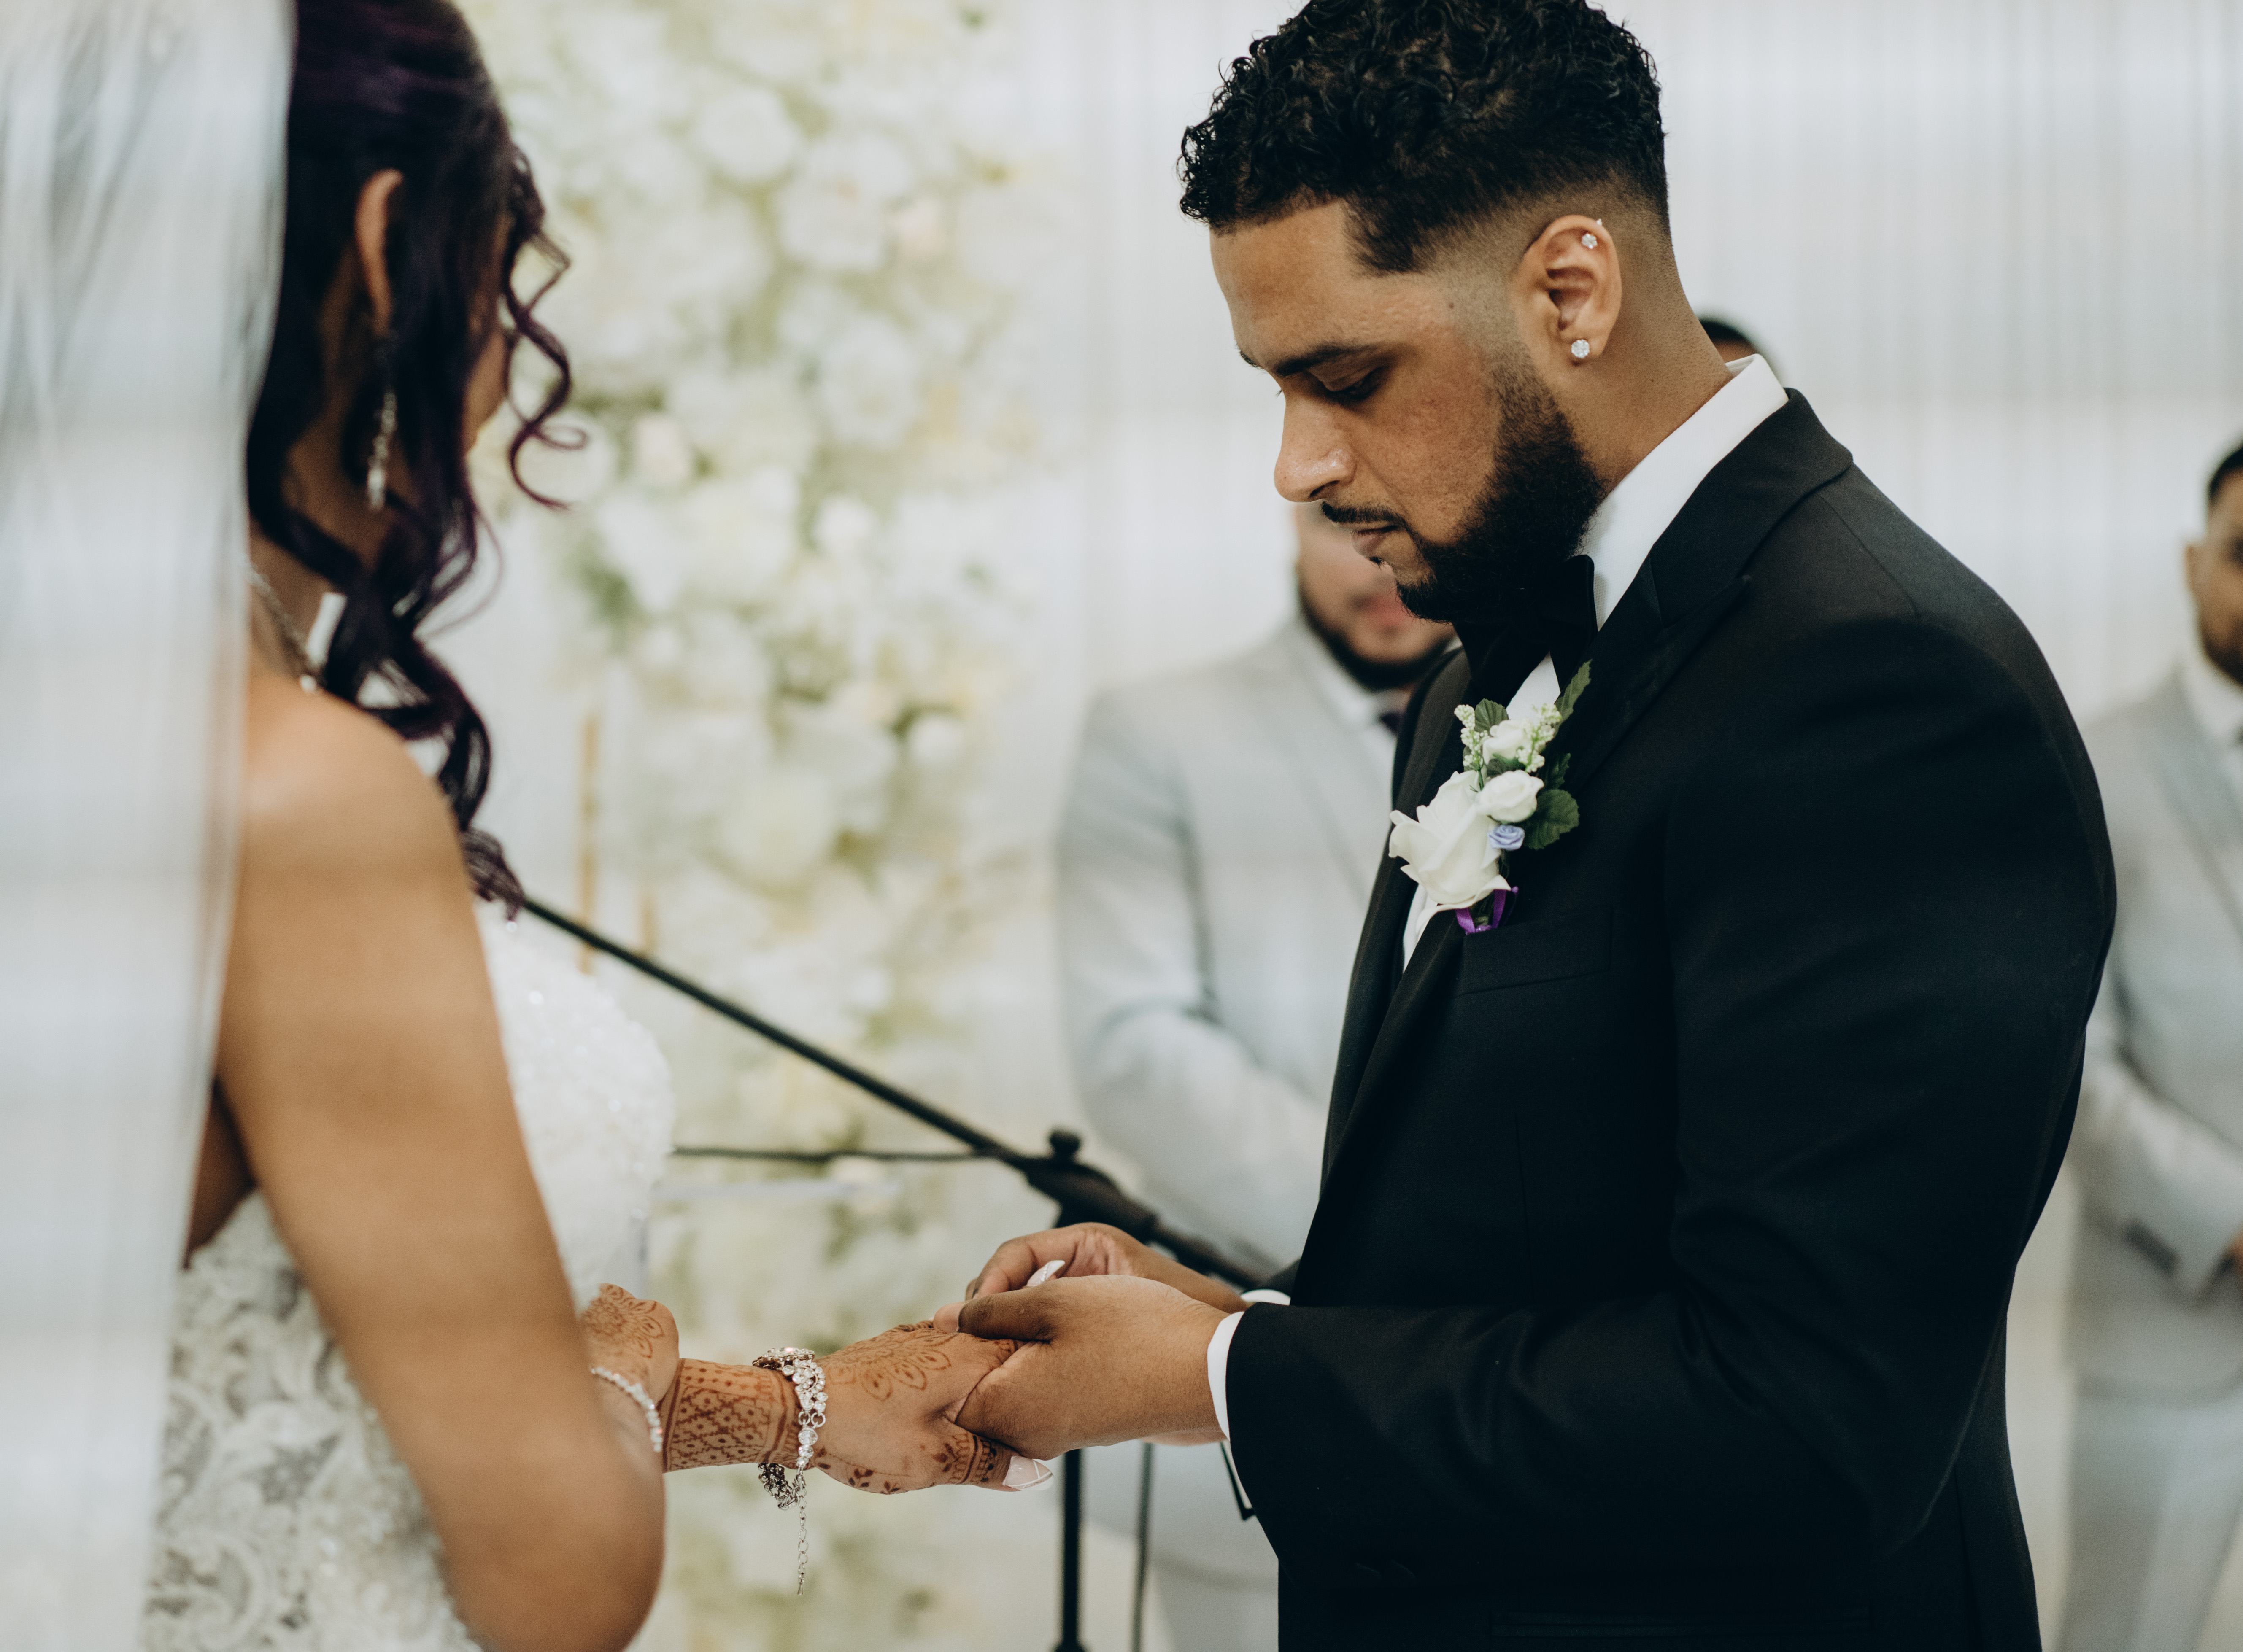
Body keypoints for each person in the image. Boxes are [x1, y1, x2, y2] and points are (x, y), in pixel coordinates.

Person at [0, 4, 1023, 1650]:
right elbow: (560, 1582)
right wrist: (624, 1364)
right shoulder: (291, 798)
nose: (503, 360)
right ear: (381, 248)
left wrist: (772, 1401)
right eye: (502, 270)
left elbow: (250, 1379)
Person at [941, 3, 2112, 1648]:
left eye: (1345, 378)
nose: (1294, 465)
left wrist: (1224, 1379)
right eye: (1276, 388)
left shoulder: (1880, 689)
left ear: (1569, 291)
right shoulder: (1482, 662)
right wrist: (1236, 1318)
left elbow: (1806, 1417)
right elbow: (1545, 1243)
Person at [1055, 504, 1453, 1648]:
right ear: (1290, 516)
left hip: (1523, 1390)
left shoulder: (1573, 717)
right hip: (1249, 1366)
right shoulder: (1158, 732)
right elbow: (1135, 1048)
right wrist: (1399, 1240)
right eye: (1341, 523)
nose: (1374, 561)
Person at [2061, 438, 2243, 1652]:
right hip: (2170, 1325)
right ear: (2192, 562)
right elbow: (2069, 1062)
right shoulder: (2098, 766)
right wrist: (2231, 1218)